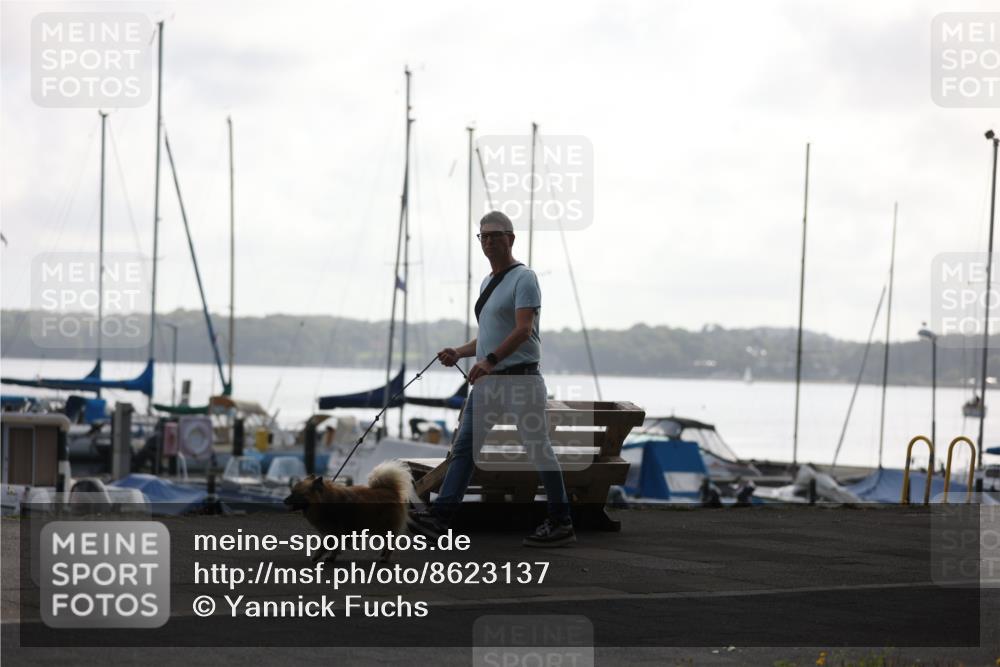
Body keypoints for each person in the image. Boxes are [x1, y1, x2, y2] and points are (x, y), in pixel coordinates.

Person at [408, 211, 575, 547]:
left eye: (496, 235)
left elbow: (523, 330)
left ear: (510, 238)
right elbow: (487, 338)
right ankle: (441, 519)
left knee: (539, 450)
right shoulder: (487, 283)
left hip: (520, 380)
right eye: (483, 236)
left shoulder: (524, 278)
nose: (489, 241)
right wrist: (460, 352)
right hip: (490, 383)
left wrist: (490, 361)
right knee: (464, 450)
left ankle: (561, 522)